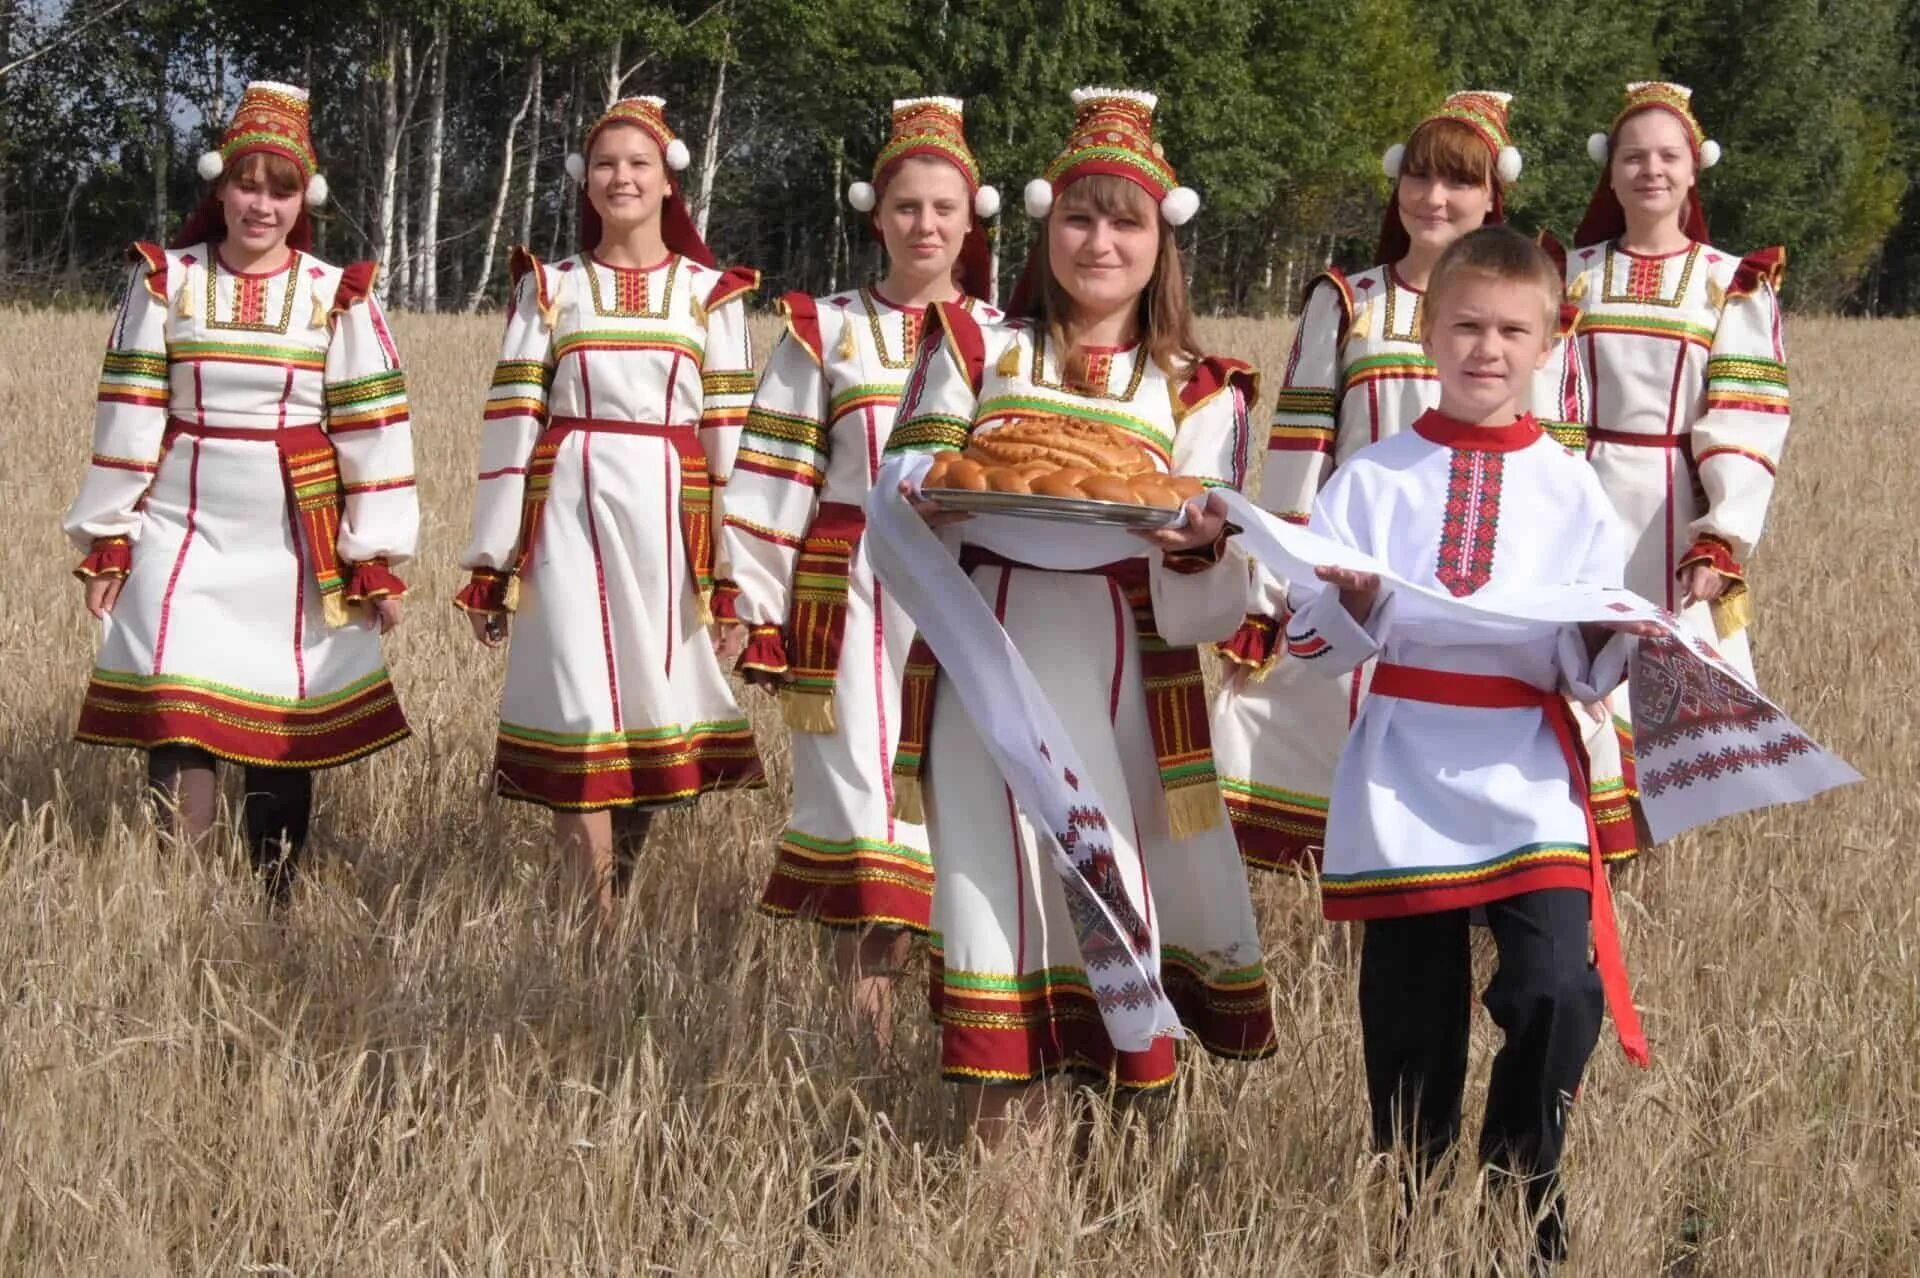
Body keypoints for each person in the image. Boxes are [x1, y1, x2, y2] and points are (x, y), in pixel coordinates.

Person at [884, 88, 1275, 1142]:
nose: (1099, 242)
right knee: (988, 900)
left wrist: (1201, 550)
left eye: (1125, 221)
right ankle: (997, 1178)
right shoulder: (973, 347)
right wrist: (924, 489)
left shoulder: (1201, 389)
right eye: (1078, 218)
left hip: (1126, 678)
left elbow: (1216, 566)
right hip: (983, 662)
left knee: (1111, 891)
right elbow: (907, 479)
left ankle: (1113, 1165)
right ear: (1047, 226)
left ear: (1163, 242)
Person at [1283, 226, 1648, 1264]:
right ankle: (1402, 1204)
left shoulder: (1574, 489)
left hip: (1529, 769)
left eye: (1512, 331)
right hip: (1401, 768)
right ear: (1427, 332)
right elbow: (1309, 641)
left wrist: (1616, 635)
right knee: (1411, 1014)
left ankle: (1522, 1184)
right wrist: (1347, 604)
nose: (1488, 348)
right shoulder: (1371, 478)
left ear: (1549, 345)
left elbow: (1586, 661)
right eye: (1467, 326)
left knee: (1555, 988)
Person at [64, 81, 416, 902]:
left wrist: (377, 556)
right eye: (247, 183)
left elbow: (374, 433)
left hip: (295, 537)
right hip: (182, 526)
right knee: (178, 706)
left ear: (305, 198)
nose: (261, 203)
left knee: (282, 720)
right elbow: (130, 412)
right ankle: (178, 901)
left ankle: (273, 903)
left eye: (281, 187)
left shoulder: (339, 296)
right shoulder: (164, 281)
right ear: (219, 186)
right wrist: (111, 538)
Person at [715, 97, 1001, 1052]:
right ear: (875, 216)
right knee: (865, 824)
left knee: (962, 819)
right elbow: (774, 473)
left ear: (973, 220)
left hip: (971, 606)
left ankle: (962, 1036)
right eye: (906, 207)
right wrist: (751, 604)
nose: (925, 225)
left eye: (943, 209)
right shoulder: (822, 330)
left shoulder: (1009, 338)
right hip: (848, 605)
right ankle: (866, 1048)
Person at [1210, 91, 1547, 874]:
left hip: (1475, 582)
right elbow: (1298, 454)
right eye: (1420, 177)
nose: (1435, 198)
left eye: (1459, 182)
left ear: (1494, 197)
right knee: (1305, 736)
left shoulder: (1523, 309)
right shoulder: (1348, 301)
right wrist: (1267, 599)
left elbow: (1549, 462)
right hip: (1358, 571)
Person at [455, 96, 764, 925]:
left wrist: (733, 579)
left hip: (671, 518)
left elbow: (731, 440)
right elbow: (513, 424)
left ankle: (619, 884)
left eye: (638, 163)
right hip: (568, 509)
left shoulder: (713, 296)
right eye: (604, 164)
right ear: (584, 183)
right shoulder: (550, 289)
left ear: (669, 181)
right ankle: (594, 914)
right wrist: (493, 560)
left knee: (650, 707)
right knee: (578, 699)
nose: (620, 176)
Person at [1555, 80, 1789, 860]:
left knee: (1654, 716)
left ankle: (1634, 899)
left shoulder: (1730, 283)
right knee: (1564, 701)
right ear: (1610, 172)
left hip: (1670, 516)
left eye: (1667, 156)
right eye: (1633, 156)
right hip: (1575, 505)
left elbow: (1745, 417)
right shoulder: (1570, 273)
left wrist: (1720, 537)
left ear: (1694, 171)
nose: (1649, 170)